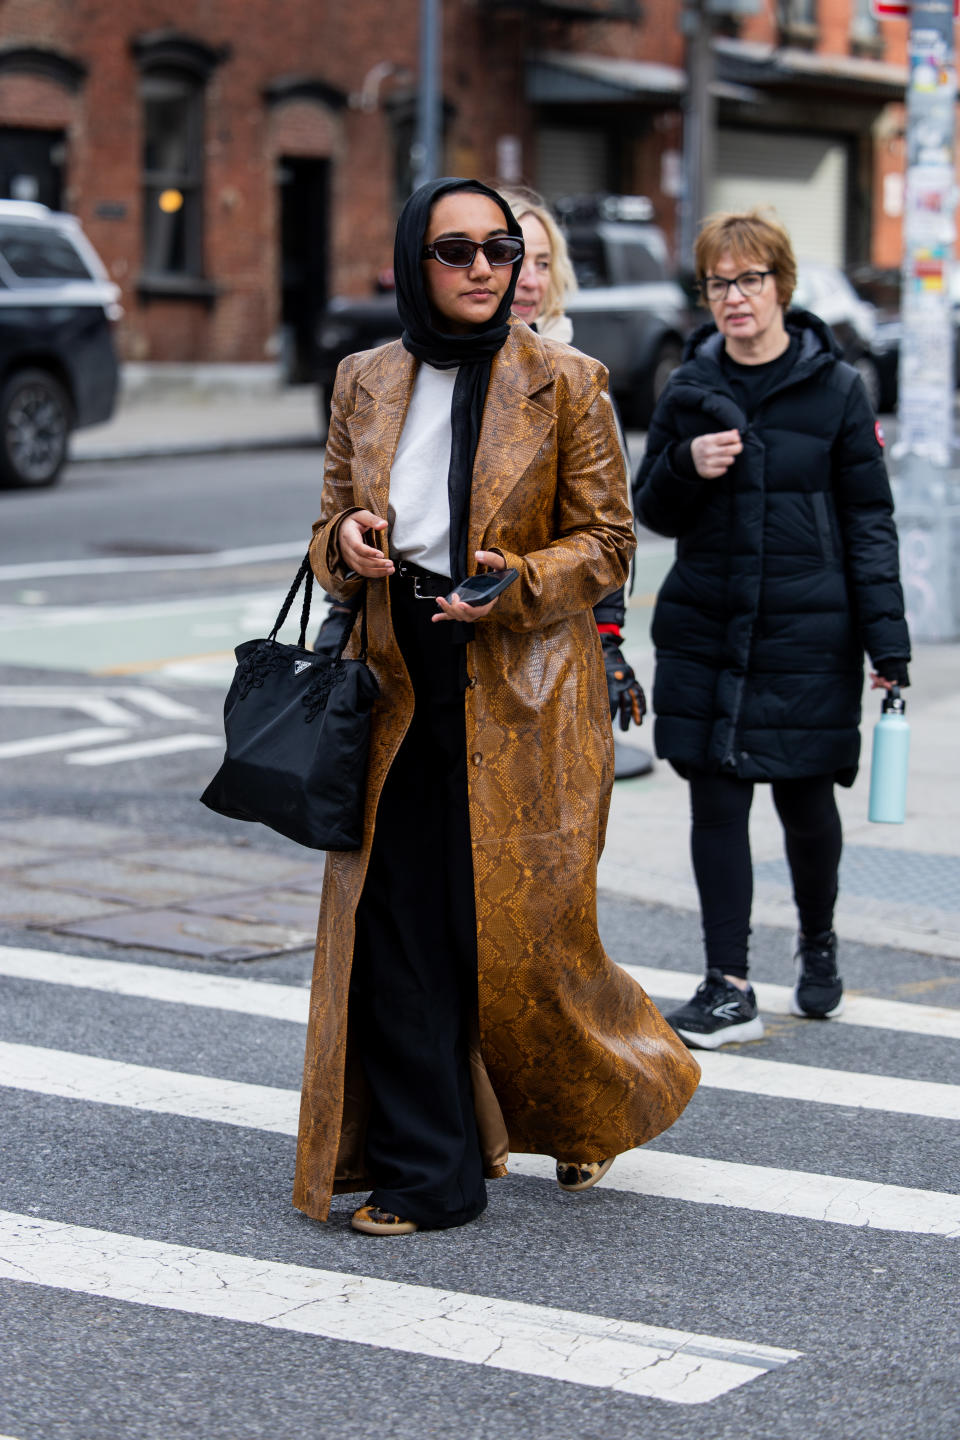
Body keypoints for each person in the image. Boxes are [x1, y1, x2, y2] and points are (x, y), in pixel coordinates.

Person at [294, 177, 699, 1236]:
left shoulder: (568, 383)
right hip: (394, 678)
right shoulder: (365, 380)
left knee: (520, 942)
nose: (482, 266)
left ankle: (612, 1091)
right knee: (395, 929)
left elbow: (610, 544)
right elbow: (329, 523)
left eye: (499, 248)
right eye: (456, 249)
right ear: (414, 264)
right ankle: (432, 1173)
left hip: (520, 691)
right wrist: (343, 547)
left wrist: (514, 581)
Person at [633, 207, 911, 1050]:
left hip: (807, 628)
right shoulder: (686, 388)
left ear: (781, 285)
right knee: (715, 803)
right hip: (709, 626)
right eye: (719, 282)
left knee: (803, 801)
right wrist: (687, 464)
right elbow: (650, 510)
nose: (735, 297)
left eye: (750, 279)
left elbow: (870, 520)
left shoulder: (835, 390)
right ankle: (728, 983)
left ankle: (818, 943)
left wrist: (887, 647)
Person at [501, 187, 650, 769]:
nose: (532, 279)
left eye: (544, 263)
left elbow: (607, 526)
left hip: (550, 635)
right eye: (519, 259)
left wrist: (608, 641)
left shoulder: (578, 380)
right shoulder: (417, 376)